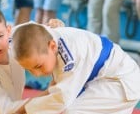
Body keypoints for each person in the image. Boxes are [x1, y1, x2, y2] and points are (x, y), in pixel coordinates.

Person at [11, 22, 140, 114]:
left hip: (119, 82)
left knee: (72, 110)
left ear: (52, 46)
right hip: (105, 79)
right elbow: (52, 91)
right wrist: (22, 109)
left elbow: (60, 99)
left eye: (38, 66)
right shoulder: (46, 39)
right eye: (29, 69)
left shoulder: (69, 57)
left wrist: (23, 110)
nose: (36, 74)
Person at [0, 2, 64, 114]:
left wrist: (54, 27)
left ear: (8, 31)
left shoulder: (15, 41)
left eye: (0, 35)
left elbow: (39, 30)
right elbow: (7, 110)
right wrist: (49, 93)